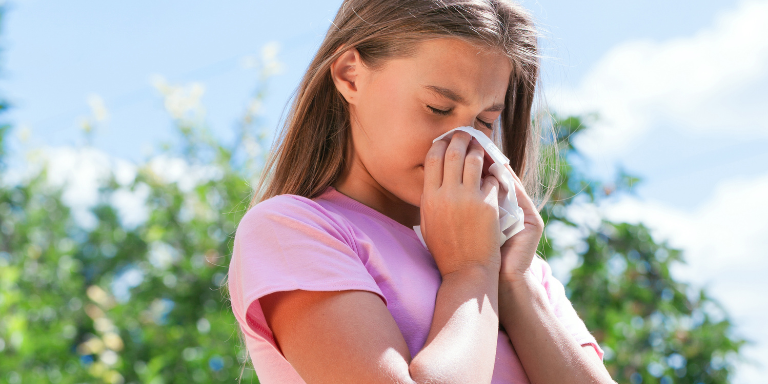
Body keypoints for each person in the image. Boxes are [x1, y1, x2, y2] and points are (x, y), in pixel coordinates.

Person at [227, 0, 615, 383]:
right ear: (350, 76)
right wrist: (470, 273)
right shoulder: (293, 230)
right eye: (438, 107)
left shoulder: (517, 264)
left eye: (485, 120)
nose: (464, 142)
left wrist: (514, 282)